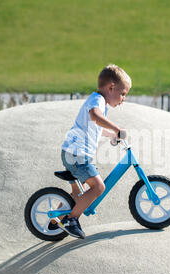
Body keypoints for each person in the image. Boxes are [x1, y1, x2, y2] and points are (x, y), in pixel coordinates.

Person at [54, 64, 132, 239]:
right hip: (77, 155)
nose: (123, 99)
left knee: (76, 194)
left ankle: (55, 223)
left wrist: (112, 134)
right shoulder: (98, 101)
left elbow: (95, 126)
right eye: (123, 93)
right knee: (98, 187)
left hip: (72, 153)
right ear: (111, 87)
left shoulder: (98, 102)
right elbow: (95, 117)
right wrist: (117, 128)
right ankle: (71, 219)